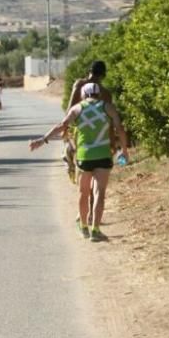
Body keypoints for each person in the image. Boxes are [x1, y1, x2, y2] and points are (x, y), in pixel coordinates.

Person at [29, 82, 130, 242]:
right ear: (99, 94)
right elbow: (120, 129)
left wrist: (42, 140)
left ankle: (83, 227)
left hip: (84, 156)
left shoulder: (77, 108)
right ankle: (96, 230)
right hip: (103, 154)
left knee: (83, 193)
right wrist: (124, 150)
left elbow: (62, 126)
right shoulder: (108, 107)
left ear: (84, 94)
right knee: (99, 194)